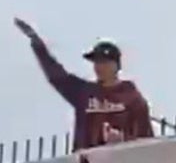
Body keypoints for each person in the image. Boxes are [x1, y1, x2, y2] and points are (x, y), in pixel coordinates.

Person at [14, 18, 155, 150]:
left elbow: (146, 140)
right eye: (97, 62)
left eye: (105, 62)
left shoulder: (132, 98)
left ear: (116, 65)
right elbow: (57, 76)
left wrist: (123, 140)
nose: (100, 67)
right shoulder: (84, 92)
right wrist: (37, 44)